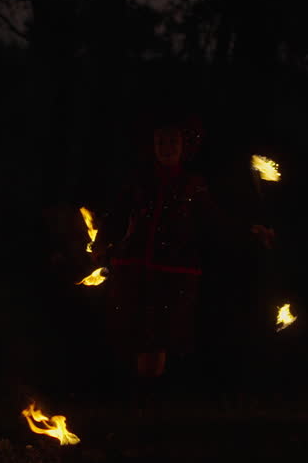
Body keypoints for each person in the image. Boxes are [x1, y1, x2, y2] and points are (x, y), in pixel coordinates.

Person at [91, 114, 272, 397]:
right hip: (134, 266)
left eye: (172, 141)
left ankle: (155, 398)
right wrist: (101, 243)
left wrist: (250, 231)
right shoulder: (139, 181)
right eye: (160, 141)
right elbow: (117, 215)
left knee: (161, 336)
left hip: (173, 270)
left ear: (183, 146)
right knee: (133, 333)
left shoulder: (192, 184)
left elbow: (213, 220)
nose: (166, 147)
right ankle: (128, 397)